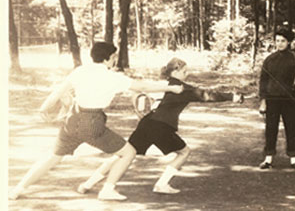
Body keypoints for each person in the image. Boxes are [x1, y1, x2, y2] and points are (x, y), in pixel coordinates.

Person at [9, 42, 183, 201]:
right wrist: (171, 87)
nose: (115, 61)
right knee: (128, 153)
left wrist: (44, 107)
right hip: (92, 121)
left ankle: (18, 188)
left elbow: (58, 91)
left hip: (72, 119)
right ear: (108, 58)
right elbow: (143, 87)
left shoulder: (80, 71)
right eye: (114, 57)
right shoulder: (112, 77)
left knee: (52, 157)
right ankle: (108, 189)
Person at [77, 57, 244, 195]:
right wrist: (232, 97)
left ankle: (88, 184)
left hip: (147, 124)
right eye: (184, 71)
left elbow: (138, 93)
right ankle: (161, 184)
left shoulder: (162, 84)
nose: (187, 74)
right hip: (161, 126)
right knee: (184, 152)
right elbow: (206, 95)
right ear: (175, 72)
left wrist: (138, 108)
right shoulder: (180, 87)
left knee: (122, 155)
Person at [258, 27, 295, 169]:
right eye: (277, 41)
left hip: (289, 99)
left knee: (291, 127)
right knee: (271, 128)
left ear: (289, 42)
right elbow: (263, 81)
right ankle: (268, 159)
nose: (279, 43)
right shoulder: (269, 59)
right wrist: (263, 101)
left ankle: (293, 158)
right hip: (272, 99)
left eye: (283, 41)